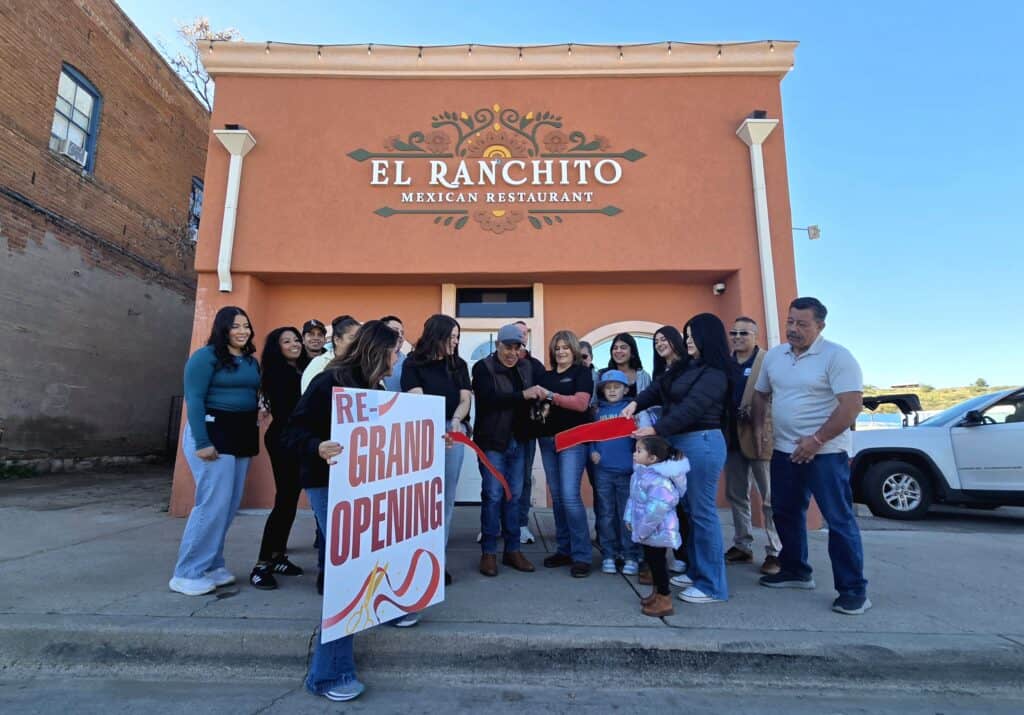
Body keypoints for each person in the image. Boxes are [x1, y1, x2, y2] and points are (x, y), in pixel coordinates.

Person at [281, 320, 400, 702]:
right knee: (346, 574)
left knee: (365, 563)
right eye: (395, 351)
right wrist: (317, 446)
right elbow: (292, 432)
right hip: (328, 484)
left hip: (363, 487)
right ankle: (329, 673)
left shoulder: (376, 389)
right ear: (378, 352)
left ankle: (388, 608)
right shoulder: (329, 382)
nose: (398, 358)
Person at [751, 297, 870, 615]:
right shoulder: (775, 356)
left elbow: (851, 405)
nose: (793, 329)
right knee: (785, 512)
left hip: (826, 454)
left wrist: (816, 440)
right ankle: (795, 570)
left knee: (838, 520)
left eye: (802, 324)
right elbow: (761, 395)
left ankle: (853, 590)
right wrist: (760, 429)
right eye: (790, 321)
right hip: (784, 451)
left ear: (820, 326)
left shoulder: (837, 357)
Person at [624, 314, 731, 605]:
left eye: (692, 335)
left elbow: (692, 408)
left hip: (702, 443)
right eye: (686, 335)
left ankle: (712, 585)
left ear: (707, 336)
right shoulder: (685, 367)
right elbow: (658, 388)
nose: (688, 340)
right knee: (688, 511)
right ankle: (696, 570)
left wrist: (656, 429)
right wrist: (635, 403)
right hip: (681, 442)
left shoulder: (715, 373)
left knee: (702, 513)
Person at [169, 306, 260, 597]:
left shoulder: (250, 361)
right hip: (212, 431)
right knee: (212, 504)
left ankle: (212, 564)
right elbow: (194, 399)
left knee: (229, 505)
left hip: (242, 432)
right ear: (223, 329)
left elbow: (251, 393)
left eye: (246, 325)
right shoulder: (205, 357)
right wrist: (202, 441)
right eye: (235, 326)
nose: (242, 331)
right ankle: (187, 572)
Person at [402, 314, 472, 592]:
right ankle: (415, 559)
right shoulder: (413, 363)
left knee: (446, 498)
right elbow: (416, 399)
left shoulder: (459, 364)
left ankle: (436, 561)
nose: (455, 342)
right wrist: (434, 427)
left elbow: (465, 399)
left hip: (452, 432)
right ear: (437, 335)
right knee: (421, 499)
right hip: (423, 432)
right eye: (451, 337)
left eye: (457, 337)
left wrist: (455, 421)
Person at [471, 323, 542, 577]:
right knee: (492, 495)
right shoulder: (483, 367)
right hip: (492, 442)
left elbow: (543, 387)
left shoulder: (526, 367)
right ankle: (489, 552)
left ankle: (512, 550)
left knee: (514, 496)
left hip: (519, 441)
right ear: (497, 345)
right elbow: (489, 400)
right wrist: (523, 395)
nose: (512, 353)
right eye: (507, 347)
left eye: (517, 348)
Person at [249, 327, 310, 590]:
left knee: (290, 500)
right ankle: (261, 565)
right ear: (277, 347)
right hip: (284, 440)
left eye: (296, 339)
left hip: (297, 440)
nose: (295, 344)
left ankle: (278, 556)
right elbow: (288, 411)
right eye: (287, 341)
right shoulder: (277, 373)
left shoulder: (303, 369)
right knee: (284, 501)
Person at [723, 317, 782, 575]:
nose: (737, 337)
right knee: (736, 494)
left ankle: (776, 550)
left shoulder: (768, 361)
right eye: (733, 332)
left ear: (755, 335)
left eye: (743, 333)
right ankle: (742, 544)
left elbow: (779, 397)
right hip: (732, 437)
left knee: (769, 497)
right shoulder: (726, 363)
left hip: (761, 436)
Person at [537, 330, 595, 578]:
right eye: (557, 348)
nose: (560, 352)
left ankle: (582, 556)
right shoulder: (546, 376)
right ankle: (564, 549)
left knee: (570, 497)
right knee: (558, 497)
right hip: (547, 440)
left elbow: (581, 404)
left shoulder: (582, 373)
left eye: (565, 347)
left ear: (573, 350)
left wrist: (551, 396)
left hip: (572, 440)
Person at [625, 435, 688, 617]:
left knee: (658, 563)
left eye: (639, 451)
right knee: (652, 562)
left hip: (657, 531)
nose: (634, 454)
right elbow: (633, 499)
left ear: (652, 458)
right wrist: (629, 518)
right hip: (647, 530)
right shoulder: (641, 473)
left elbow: (656, 512)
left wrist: (640, 531)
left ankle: (664, 598)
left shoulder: (659, 481)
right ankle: (657, 593)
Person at [590, 369, 644, 575]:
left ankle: (630, 555)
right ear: (602, 390)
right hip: (603, 472)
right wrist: (593, 452)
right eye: (608, 388)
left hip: (627, 472)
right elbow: (592, 438)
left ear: (625, 390)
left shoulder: (631, 411)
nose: (612, 391)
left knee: (627, 515)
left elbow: (639, 439)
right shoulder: (598, 413)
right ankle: (609, 554)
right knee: (605, 515)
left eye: (617, 387)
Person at [513, 320, 545, 546]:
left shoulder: (535, 366)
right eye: (517, 332)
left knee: (523, 478)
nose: (520, 336)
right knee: (495, 480)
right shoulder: (494, 361)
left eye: (524, 333)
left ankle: (521, 523)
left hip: (526, 432)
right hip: (500, 431)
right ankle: (493, 525)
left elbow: (545, 394)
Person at [301, 315, 360, 393]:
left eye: (360, 337)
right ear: (337, 340)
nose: (357, 341)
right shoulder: (319, 364)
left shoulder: (362, 363)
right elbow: (308, 395)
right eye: (352, 337)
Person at [600, 333, 652, 399]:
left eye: (623, 348)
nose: (618, 351)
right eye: (615, 348)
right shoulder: (602, 375)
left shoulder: (644, 376)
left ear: (632, 352)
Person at [381, 315, 406, 392]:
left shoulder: (407, 362)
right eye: (395, 331)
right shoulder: (369, 358)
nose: (400, 335)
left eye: (402, 333)